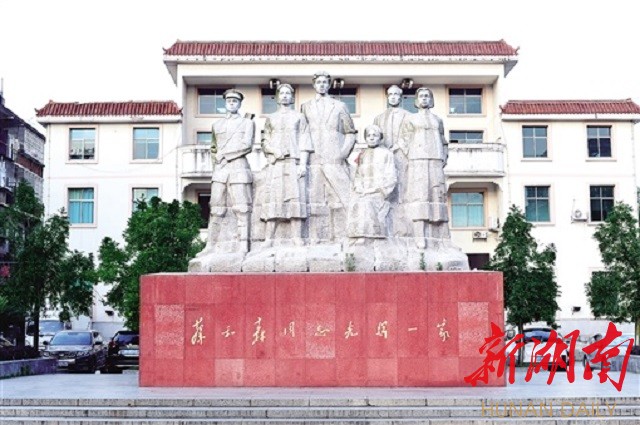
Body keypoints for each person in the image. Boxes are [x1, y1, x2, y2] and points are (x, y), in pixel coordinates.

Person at [301, 71, 357, 242]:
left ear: (329, 84)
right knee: (314, 199)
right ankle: (315, 237)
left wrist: (342, 154)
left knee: (343, 197)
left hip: (335, 158)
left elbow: (350, 133)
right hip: (313, 159)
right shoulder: (305, 106)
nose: (322, 85)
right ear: (314, 85)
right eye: (319, 82)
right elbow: (303, 134)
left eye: (325, 82)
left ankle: (349, 234)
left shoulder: (339, 106)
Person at [261, 84, 313, 246]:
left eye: (288, 93)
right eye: (282, 93)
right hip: (276, 163)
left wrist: (303, 164)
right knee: (273, 198)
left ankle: (297, 236)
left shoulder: (299, 117)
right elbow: (265, 141)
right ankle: (269, 238)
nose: (284, 96)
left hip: (293, 162)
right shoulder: (271, 118)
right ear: (277, 97)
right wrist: (273, 151)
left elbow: (305, 140)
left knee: (296, 198)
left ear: (292, 97)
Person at [204, 89, 254, 254]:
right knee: (216, 208)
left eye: (235, 101)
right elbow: (213, 148)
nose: (232, 103)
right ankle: (210, 245)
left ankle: (243, 244)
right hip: (220, 171)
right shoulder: (217, 125)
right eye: (229, 101)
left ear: (239, 104)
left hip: (238, 168)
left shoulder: (247, 123)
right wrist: (217, 162)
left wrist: (226, 155)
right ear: (225, 103)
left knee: (242, 208)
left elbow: (247, 146)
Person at [400, 87, 451, 249]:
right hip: (418, 160)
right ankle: (419, 236)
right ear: (416, 100)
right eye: (421, 96)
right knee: (420, 195)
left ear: (431, 100)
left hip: (435, 159)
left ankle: (442, 238)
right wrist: (411, 155)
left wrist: (444, 156)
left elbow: (443, 141)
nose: (424, 99)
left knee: (438, 195)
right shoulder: (411, 119)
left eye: (427, 96)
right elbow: (403, 141)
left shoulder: (438, 120)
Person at [347, 125, 397, 240]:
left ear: (380, 138)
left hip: (379, 193)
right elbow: (358, 175)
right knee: (354, 202)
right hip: (363, 192)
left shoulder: (387, 154)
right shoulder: (362, 155)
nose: (371, 138)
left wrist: (374, 190)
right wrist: (359, 187)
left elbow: (391, 177)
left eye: (375, 135)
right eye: (368, 135)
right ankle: (356, 235)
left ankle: (370, 235)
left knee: (366, 203)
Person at [374, 85, 411, 236]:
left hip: (401, 154)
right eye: (390, 94)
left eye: (396, 94)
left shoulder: (408, 116)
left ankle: (402, 215)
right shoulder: (379, 118)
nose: (393, 97)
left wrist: (398, 146)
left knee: (402, 183)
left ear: (400, 97)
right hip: (383, 156)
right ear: (387, 97)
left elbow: (410, 135)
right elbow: (374, 135)